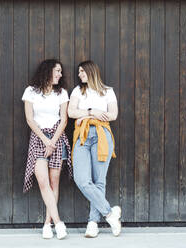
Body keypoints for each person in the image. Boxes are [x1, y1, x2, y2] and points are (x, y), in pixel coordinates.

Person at [68, 60, 121, 238]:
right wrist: (91, 112)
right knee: (82, 179)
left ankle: (93, 223)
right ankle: (109, 213)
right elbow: (71, 112)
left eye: (82, 71)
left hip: (102, 135)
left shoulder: (108, 91)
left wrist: (92, 114)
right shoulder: (78, 91)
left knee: (99, 180)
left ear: (91, 71)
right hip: (82, 136)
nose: (79, 74)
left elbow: (113, 115)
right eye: (78, 72)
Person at [22, 59, 73, 240]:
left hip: (57, 138)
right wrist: (45, 140)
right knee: (43, 181)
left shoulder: (62, 93)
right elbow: (29, 119)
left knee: (54, 183)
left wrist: (52, 141)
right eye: (57, 71)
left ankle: (47, 224)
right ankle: (59, 223)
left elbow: (64, 120)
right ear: (47, 71)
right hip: (38, 137)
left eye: (60, 71)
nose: (60, 74)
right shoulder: (30, 91)